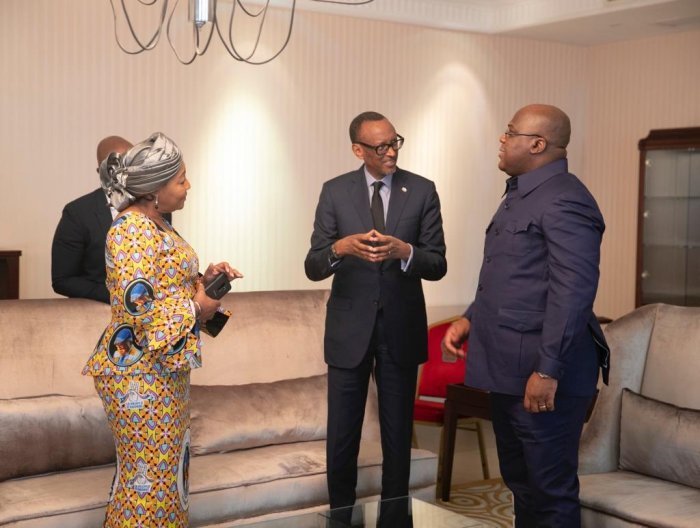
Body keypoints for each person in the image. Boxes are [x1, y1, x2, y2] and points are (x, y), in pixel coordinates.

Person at [442, 104, 610, 528]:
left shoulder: (566, 199)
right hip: (508, 370)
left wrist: (548, 370)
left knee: (549, 492)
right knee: (522, 485)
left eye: (509, 132)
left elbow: (573, 292)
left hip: (545, 374)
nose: (501, 139)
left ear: (537, 144)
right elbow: (514, 276)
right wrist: (470, 319)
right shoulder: (521, 193)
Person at [82, 132, 243, 528]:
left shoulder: (158, 226)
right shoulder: (131, 229)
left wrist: (204, 281)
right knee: (145, 487)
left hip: (162, 369)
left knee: (167, 483)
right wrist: (197, 306)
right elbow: (138, 306)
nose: (188, 186)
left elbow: (164, 286)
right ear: (155, 188)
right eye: (181, 179)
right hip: (138, 374)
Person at [304, 111, 446, 522]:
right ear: (358, 150)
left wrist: (406, 252)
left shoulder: (421, 190)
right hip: (349, 330)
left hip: (401, 328)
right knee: (342, 435)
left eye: (395, 142)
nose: (391, 152)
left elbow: (437, 263)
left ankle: (394, 519)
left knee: (398, 435)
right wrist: (340, 248)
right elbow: (313, 265)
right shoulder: (335, 192)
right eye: (381, 146)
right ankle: (341, 517)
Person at [51, 136, 170, 304]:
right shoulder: (77, 213)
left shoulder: (156, 206)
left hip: (160, 310)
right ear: (103, 172)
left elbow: (168, 261)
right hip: (101, 311)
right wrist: (119, 296)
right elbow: (63, 280)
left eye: (134, 163)